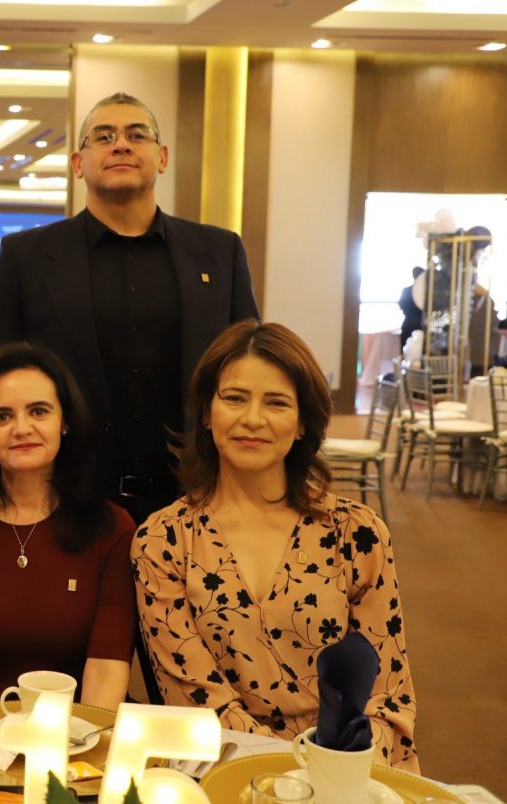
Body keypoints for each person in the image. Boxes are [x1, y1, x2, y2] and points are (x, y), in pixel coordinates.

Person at [132, 320, 418, 772]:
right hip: (222, 769)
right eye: (234, 398)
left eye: (277, 402)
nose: (252, 419)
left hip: (347, 769)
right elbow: (197, 701)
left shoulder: (357, 533)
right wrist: (288, 772)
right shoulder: (163, 541)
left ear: (302, 423)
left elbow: (389, 696)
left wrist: (336, 772)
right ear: (206, 412)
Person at [0, 92, 258, 524]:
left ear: (162, 157)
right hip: (66, 498)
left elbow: (249, 369)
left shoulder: (219, 252)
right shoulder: (25, 257)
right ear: (78, 164)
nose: (121, 145)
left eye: (137, 135)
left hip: (197, 497)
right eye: (104, 136)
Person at [0, 343, 137, 709]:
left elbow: (107, 671)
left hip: (76, 732)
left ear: (65, 421)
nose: (21, 428)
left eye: (39, 411)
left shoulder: (111, 529)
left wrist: (82, 741)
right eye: (1, 417)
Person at [397, 266, 424, 351]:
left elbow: (401, 305)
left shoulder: (407, 290)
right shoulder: (426, 292)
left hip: (409, 323)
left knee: (406, 350)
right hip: (421, 324)